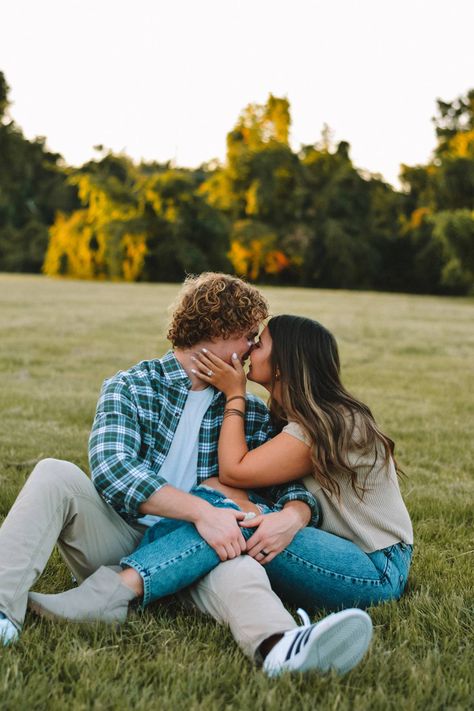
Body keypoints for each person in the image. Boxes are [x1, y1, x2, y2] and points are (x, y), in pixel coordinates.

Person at [0, 274, 372, 677]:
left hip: (197, 558)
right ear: (218, 330)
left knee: (241, 566)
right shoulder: (133, 386)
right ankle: (3, 610)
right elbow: (112, 471)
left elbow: (287, 488)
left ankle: (280, 647)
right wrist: (201, 511)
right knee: (54, 474)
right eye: (249, 335)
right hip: (119, 540)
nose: (252, 349)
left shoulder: (247, 409)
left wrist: (295, 513)